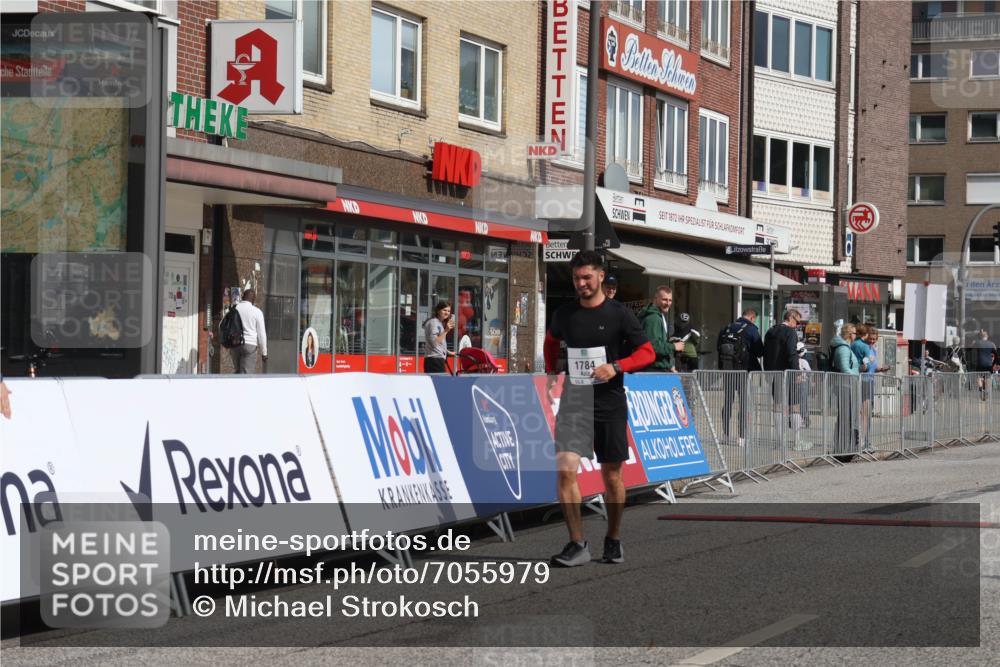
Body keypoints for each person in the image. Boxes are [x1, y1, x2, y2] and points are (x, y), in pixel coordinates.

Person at [543, 250, 654, 567]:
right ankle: (577, 544)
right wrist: (553, 372)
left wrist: (616, 367)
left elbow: (646, 352)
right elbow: (551, 342)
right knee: (565, 469)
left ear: (601, 276)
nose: (581, 284)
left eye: (587, 278)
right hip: (575, 401)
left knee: (612, 476)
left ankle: (614, 538)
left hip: (609, 402)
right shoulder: (564, 313)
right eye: (577, 278)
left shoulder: (619, 314)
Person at [717, 309, 764, 446]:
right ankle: (741, 437)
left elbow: (718, 348)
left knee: (727, 402)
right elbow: (760, 351)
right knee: (744, 403)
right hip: (745, 371)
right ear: (752, 317)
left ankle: (725, 435)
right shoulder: (751, 330)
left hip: (728, 370)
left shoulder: (726, 328)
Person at [763, 309, 802, 448]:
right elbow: (792, 354)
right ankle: (797, 441)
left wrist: (767, 371)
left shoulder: (771, 331)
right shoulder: (790, 332)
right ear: (790, 318)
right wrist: (797, 372)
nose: (797, 325)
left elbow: (765, 353)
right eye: (797, 322)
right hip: (787, 372)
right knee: (794, 405)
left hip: (774, 373)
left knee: (778, 405)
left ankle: (780, 441)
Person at [831, 323, 861, 461]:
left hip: (848, 385)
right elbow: (844, 369)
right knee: (846, 417)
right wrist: (855, 377)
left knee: (848, 417)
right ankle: (842, 450)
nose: (856, 335)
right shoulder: (843, 348)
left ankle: (846, 448)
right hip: (845, 385)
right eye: (854, 332)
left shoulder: (845, 347)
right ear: (849, 334)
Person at [639, 285, 676, 372]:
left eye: (670, 300)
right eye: (664, 300)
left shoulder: (658, 315)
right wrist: (674, 346)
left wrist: (669, 365)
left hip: (656, 367)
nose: (668, 303)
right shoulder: (653, 318)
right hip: (653, 369)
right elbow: (653, 346)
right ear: (655, 299)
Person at [231, 289, 267, 374]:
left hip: (235, 343)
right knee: (246, 374)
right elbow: (261, 334)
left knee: (237, 372)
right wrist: (264, 353)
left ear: (243, 297)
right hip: (249, 345)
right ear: (253, 299)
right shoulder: (257, 312)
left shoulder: (234, 308)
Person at [423, 301, 454, 374]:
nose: (447, 313)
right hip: (434, 360)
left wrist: (448, 352)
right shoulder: (434, 323)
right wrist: (446, 330)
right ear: (438, 311)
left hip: (436, 359)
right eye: (444, 310)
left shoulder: (438, 323)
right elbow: (435, 342)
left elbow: (438, 344)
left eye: (448, 311)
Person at [972, 330, 996, 398]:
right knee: (988, 377)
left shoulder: (977, 343)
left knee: (978, 377)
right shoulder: (991, 344)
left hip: (980, 362)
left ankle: (980, 388)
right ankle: (987, 391)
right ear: (987, 336)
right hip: (989, 363)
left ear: (980, 336)